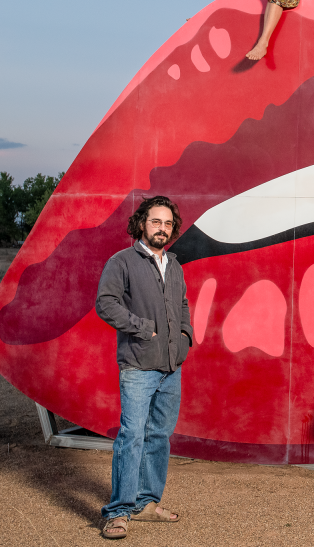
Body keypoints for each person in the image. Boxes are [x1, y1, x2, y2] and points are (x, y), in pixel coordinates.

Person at [96, 196, 193, 539]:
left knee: (158, 436)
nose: (162, 229)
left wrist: (184, 337)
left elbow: (182, 306)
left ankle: (147, 503)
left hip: (171, 367)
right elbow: (105, 303)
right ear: (141, 224)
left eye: (168, 224)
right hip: (138, 365)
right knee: (132, 437)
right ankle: (119, 512)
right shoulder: (122, 261)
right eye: (156, 222)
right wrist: (142, 328)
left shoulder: (175, 265)